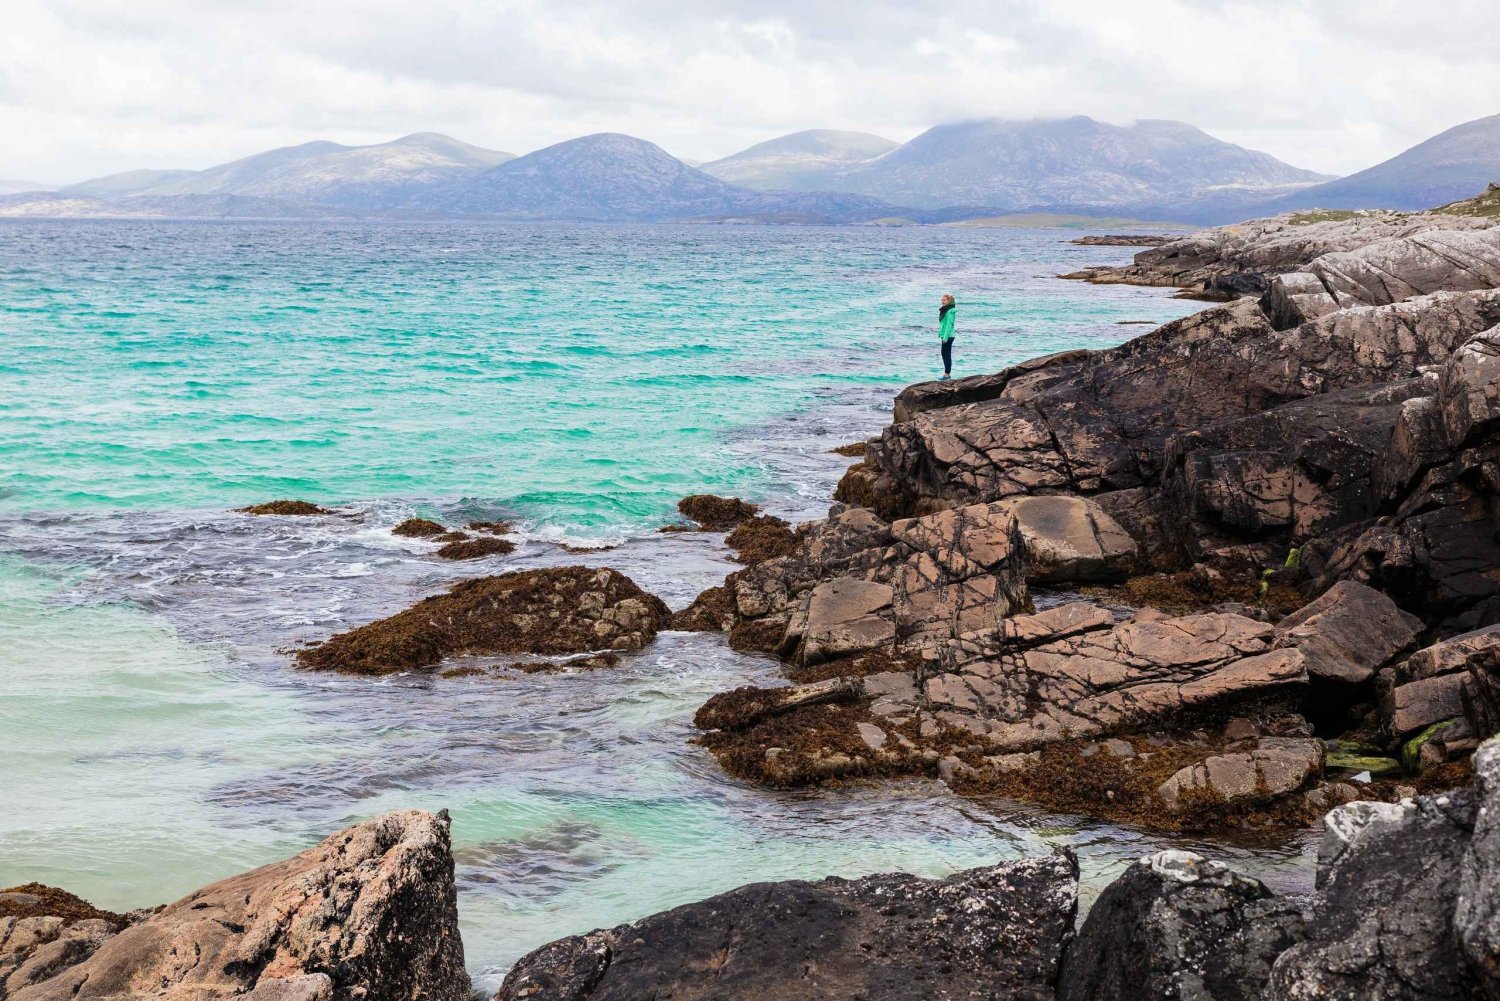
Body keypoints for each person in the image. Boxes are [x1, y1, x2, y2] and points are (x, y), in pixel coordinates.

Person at [937, 293, 956, 380]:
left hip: (948, 336)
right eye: (942, 300)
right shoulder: (946, 310)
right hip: (945, 335)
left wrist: (945, 337)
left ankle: (947, 375)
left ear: (949, 301)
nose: (942, 302)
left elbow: (949, 325)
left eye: (944, 300)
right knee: (944, 354)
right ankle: (947, 374)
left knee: (946, 355)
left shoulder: (950, 311)